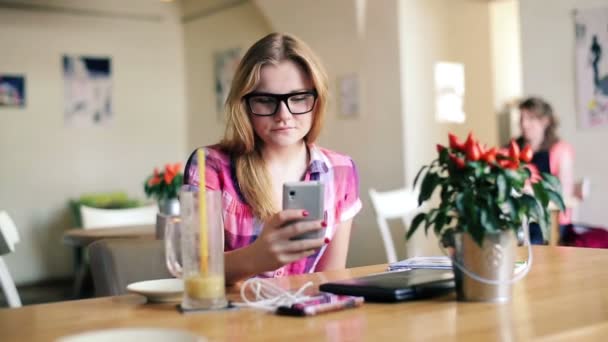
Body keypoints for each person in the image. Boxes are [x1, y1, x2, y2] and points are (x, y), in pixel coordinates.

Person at [184, 33, 361, 284]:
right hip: (232, 320)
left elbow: (331, 278)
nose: (283, 115)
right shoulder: (210, 166)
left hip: (307, 318)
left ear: (317, 99)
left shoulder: (342, 170)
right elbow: (195, 270)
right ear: (244, 105)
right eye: (266, 101)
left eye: (298, 98)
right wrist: (258, 257)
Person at [516, 97, 575, 244]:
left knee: (533, 244)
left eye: (530, 119)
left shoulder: (561, 150)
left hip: (551, 219)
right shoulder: (513, 148)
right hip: (520, 217)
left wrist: (531, 190)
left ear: (545, 121)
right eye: (521, 118)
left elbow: (563, 192)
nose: (524, 124)